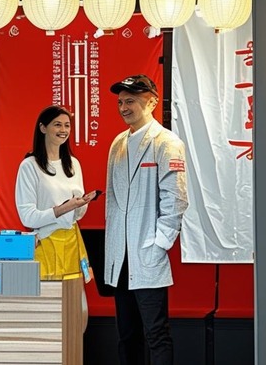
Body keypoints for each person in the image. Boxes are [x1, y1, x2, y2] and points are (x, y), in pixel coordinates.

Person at [104, 74, 189, 365]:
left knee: (156, 332)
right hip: (121, 256)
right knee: (126, 333)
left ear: (151, 101)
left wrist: (159, 244)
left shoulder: (166, 142)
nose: (124, 107)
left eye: (131, 101)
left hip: (147, 251)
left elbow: (176, 199)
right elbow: (113, 200)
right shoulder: (118, 143)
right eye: (120, 101)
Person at [14, 105, 97, 330]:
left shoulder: (73, 163)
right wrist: (63, 208)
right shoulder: (29, 166)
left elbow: (76, 214)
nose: (63, 130)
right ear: (43, 128)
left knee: (78, 310)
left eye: (67, 125)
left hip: (71, 242)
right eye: (57, 124)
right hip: (44, 245)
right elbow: (28, 217)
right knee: (47, 311)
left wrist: (80, 205)